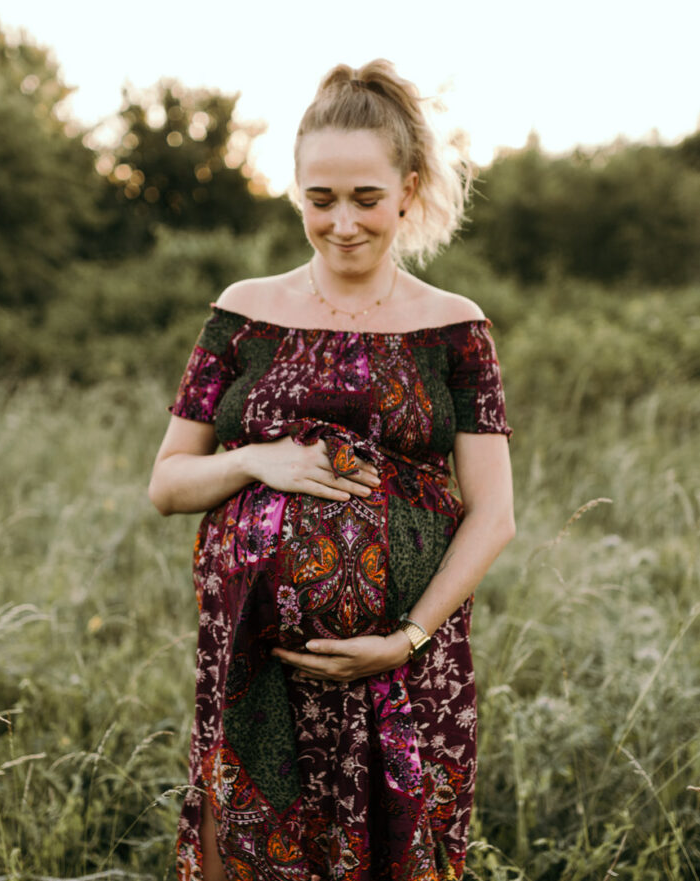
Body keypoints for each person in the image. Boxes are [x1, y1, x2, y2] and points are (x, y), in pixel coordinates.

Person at [149, 58, 515, 881]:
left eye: (365, 199)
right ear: (295, 191)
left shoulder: (456, 331)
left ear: (408, 191)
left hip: (406, 668)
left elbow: (494, 514)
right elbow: (167, 483)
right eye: (320, 200)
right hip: (255, 671)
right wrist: (254, 460)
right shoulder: (241, 314)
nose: (342, 222)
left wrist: (404, 637)